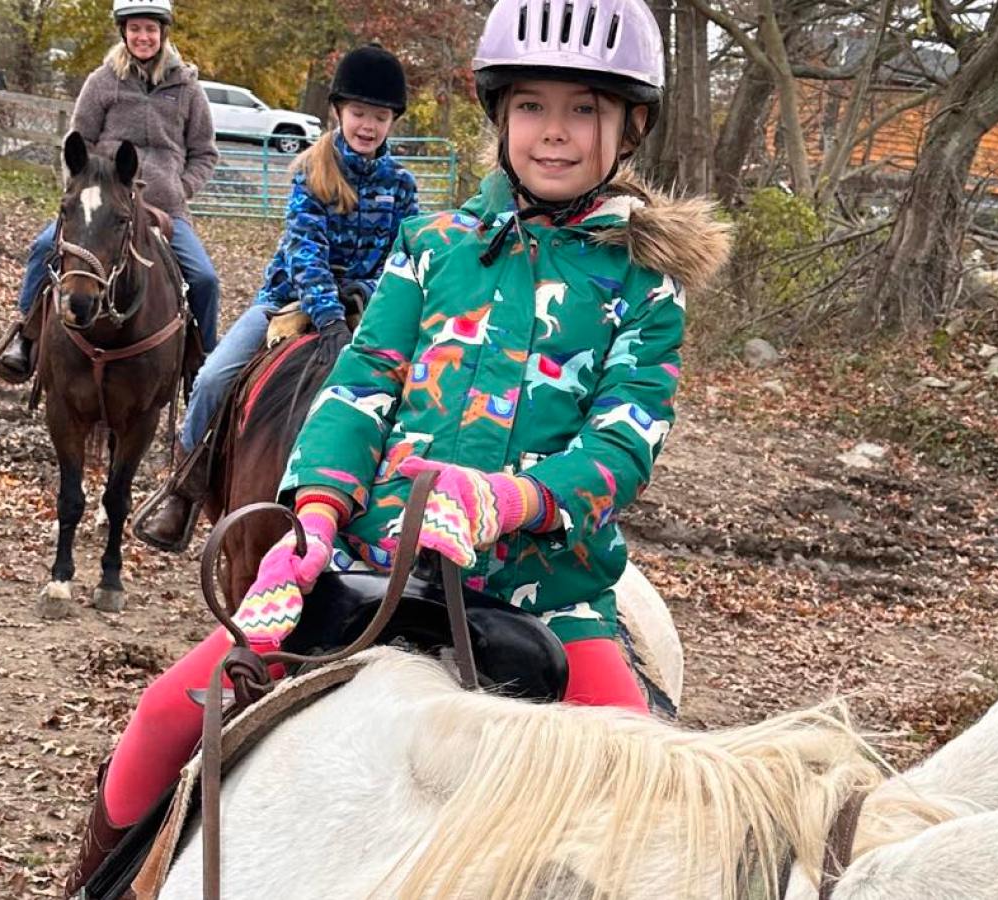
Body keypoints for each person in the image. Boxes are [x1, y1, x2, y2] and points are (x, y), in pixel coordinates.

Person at [63, 0, 730, 893]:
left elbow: (624, 439)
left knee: (670, 813)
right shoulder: (432, 248)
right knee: (159, 717)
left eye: (584, 109)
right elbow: (360, 387)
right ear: (501, 115)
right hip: (376, 568)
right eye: (533, 106)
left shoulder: (646, 286)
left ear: (630, 127)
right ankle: (93, 881)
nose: (555, 132)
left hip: (549, 593)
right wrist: (313, 521)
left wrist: (508, 498)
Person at [135, 43, 418, 552]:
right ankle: (184, 488)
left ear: (392, 122)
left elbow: (404, 254)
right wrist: (328, 316)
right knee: (214, 377)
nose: (368, 125)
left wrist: (370, 295)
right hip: (291, 301)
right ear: (339, 112)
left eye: (380, 117)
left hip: (371, 310)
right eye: (359, 113)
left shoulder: (401, 185)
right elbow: (305, 251)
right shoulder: (313, 171)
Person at [0, 0, 220, 380]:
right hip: (103, 202)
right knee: (44, 247)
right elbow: (79, 140)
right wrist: (83, 191)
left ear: (163, 33)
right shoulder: (102, 81)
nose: (143, 37)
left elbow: (205, 153)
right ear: (124, 32)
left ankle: (205, 361)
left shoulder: (188, 89)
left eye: (150, 29)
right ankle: (25, 334)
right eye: (135, 29)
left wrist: (181, 188)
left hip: (164, 208)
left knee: (204, 278)